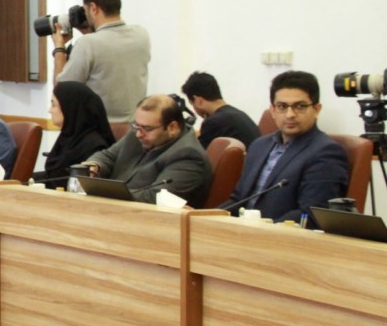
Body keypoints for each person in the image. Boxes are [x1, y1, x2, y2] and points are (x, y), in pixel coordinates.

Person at [221, 71, 349, 224]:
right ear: (273, 110)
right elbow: (238, 199)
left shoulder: (326, 153)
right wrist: (205, 217)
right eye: (282, 106)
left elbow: (311, 213)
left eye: (300, 106)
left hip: (279, 235)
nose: (290, 114)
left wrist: (264, 230)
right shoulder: (259, 146)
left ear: (316, 109)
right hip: (242, 230)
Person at [76, 94, 213, 206]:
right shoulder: (138, 134)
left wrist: (101, 192)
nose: (138, 134)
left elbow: (155, 197)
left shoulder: (189, 156)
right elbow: (108, 156)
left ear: (172, 127)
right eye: (136, 126)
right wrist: (94, 166)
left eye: (147, 128)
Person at [49, 0, 151, 123]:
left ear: (93, 8)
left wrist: (59, 48)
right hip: (135, 129)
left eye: (85, 11)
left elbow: (61, 91)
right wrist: (91, 32)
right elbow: (110, 48)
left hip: (99, 130)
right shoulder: (141, 35)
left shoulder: (87, 44)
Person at [36, 81, 116, 188]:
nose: (49, 110)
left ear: (69, 107)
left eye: (53, 105)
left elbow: (79, 185)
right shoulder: (69, 135)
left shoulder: (94, 145)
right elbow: (51, 176)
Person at [181, 71, 261, 149]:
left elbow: (195, 154)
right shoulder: (240, 115)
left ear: (198, 100)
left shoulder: (213, 122)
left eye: (192, 104)